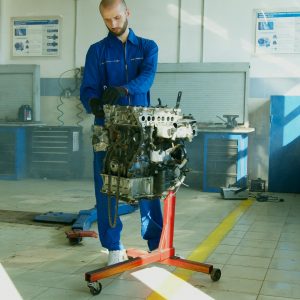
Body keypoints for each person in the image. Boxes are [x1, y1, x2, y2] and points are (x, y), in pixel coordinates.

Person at [80, 0, 163, 265]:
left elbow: (147, 78)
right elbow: (89, 87)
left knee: (149, 187)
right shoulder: (97, 51)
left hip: (141, 129)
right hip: (108, 129)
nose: (113, 25)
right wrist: (92, 102)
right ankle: (113, 247)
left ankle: (156, 244)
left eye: (117, 18)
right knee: (107, 188)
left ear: (127, 13)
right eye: (107, 20)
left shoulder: (148, 47)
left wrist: (123, 89)